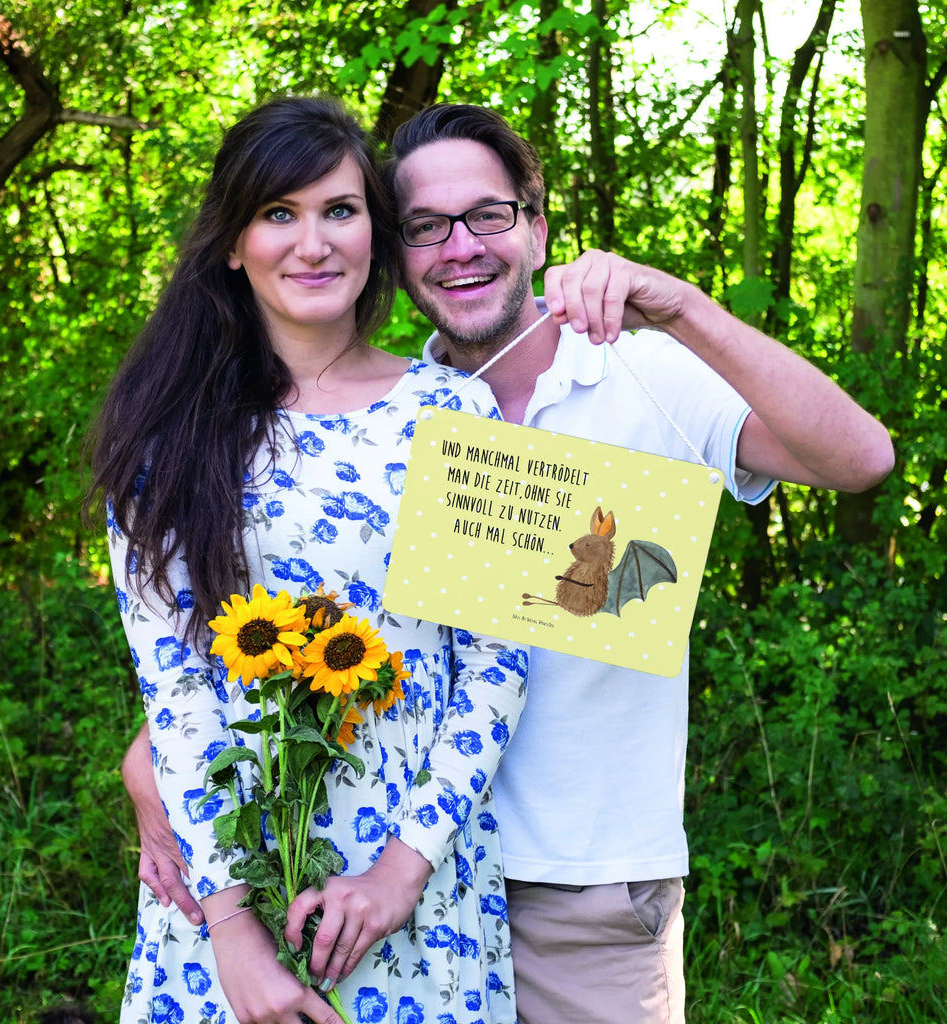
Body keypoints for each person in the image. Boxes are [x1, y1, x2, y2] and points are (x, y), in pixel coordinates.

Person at [124, 102, 895, 1024]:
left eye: (487, 215)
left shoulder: (633, 371)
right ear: (397, 251)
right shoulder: (383, 415)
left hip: (576, 887)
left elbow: (861, 461)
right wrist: (158, 769)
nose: (460, 247)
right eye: (425, 227)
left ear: (535, 225)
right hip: (353, 876)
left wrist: (683, 306)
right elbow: (255, 634)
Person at [88, 96, 532, 1024]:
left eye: (340, 210)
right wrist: (235, 937)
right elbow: (176, 693)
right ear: (231, 243)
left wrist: (400, 873)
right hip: (226, 888)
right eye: (278, 214)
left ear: (375, 229)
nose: (314, 242)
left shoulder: (456, 413)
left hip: (416, 888)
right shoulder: (165, 437)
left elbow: (496, 665)